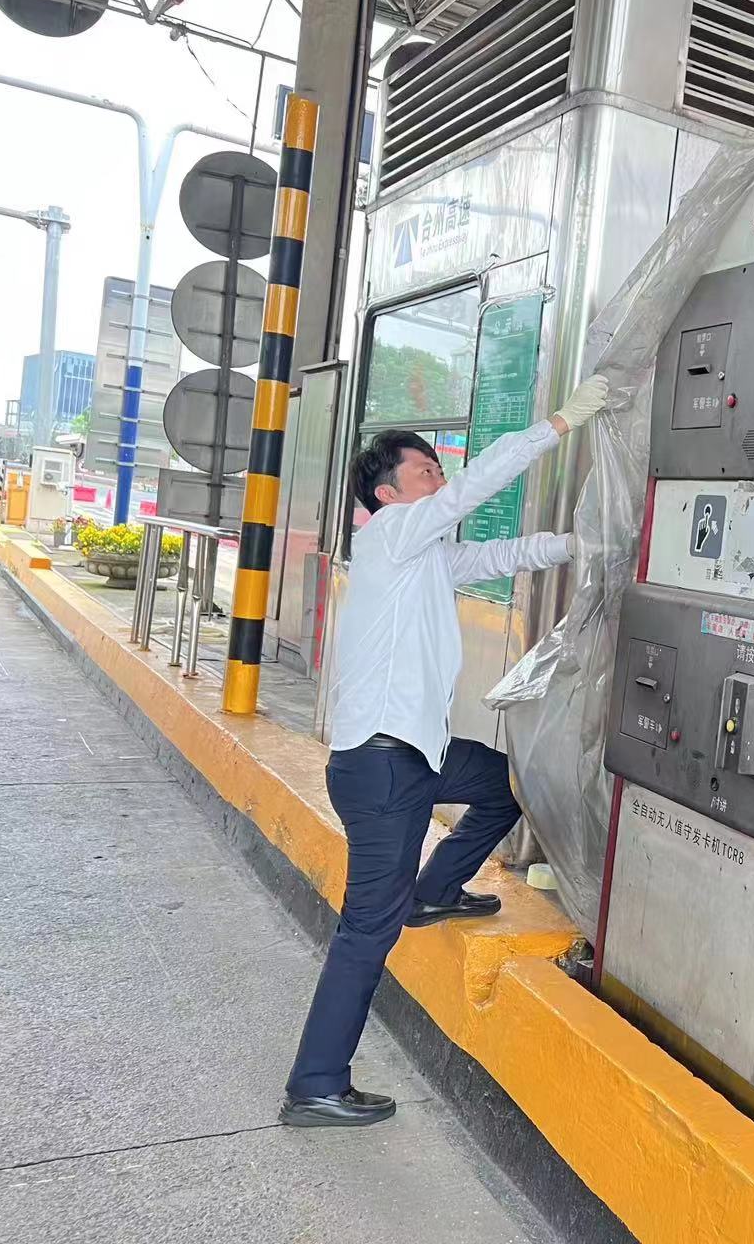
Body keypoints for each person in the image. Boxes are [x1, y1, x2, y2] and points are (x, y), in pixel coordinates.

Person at [280, 373, 610, 1128]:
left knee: (501, 782)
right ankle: (317, 1084)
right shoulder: (390, 535)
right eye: (424, 472)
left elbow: (500, 555)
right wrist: (558, 423)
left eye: (438, 468)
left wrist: (581, 544)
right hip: (383, 767)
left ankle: (436, 890)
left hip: (411, 757)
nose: (439, 479)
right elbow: (470, 494)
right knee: (367, 928)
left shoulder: (419, 556)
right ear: (388, 496)